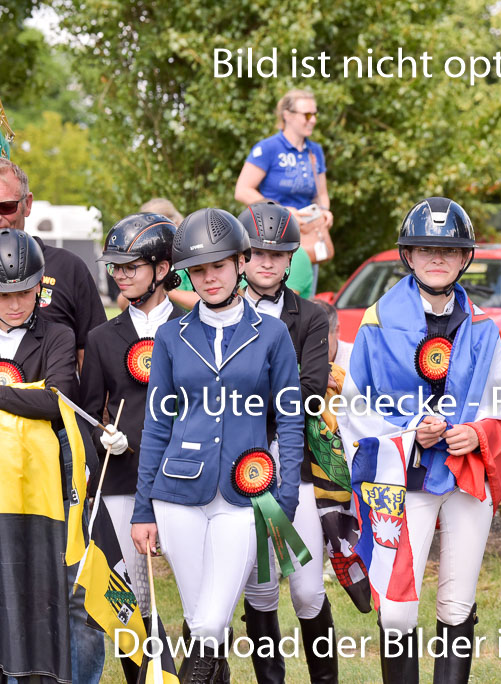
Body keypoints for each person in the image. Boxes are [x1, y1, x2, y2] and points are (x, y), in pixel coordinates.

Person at [337, 197, 501, 684]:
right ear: (408, 256)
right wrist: (412, 430)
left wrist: (475, 433)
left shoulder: (483, 326)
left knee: (457, 603)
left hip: (464, 473)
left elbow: (500, 404)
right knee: (397, 610)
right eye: (425, 248)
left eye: (449, 250)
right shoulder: (376, 321)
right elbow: (354, 407)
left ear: (464, 258)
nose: (437, 257)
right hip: (402, 478)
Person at [130, 208, 304, 683]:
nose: (209, 278)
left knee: (209, 624)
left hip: (247, 498)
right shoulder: (170, 337)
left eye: (219, 266)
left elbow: (290, 421)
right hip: (177, 495)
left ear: (241, 262)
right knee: (202, 620)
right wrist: (143, 509)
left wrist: (285, 502)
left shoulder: (273, 334)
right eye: (199, 269)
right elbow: (156, 426)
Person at [79, 212, 186, 684]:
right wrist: (103, 434)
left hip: (186, 477)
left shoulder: (193, 328)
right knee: (132, 599)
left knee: (202, 598)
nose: (119, 275)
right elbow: (88, 412)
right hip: (123, 479)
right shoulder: (101, 338)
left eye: (130, 267)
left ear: (162, 269)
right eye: (115, 267)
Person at [236, 201, 336, 684]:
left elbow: (311, 392)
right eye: (257, 253)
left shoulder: (311, 317)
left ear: (290, 258)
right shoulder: (221, 314)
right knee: (260, 589)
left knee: (307, 590)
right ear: (241, 257)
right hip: (237, 463)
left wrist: (247, 392)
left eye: (277, 254)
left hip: (292, 459)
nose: (266, 263)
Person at [0, 229, 82, 684]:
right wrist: (26, 394)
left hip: (37, 490)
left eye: (25, 292)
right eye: (4, 295)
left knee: (37, 593)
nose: (15, 304)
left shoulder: (57, 335)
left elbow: (57, 401)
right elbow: (40, 395)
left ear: (40, 287)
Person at [0, 158, 105, 370]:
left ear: (27, 204)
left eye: (6, 207)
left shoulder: (68, 268)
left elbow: (91, 358)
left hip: (54, 390)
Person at [235, 89, 331, 293]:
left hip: (306, 238)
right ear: (287, 115)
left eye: (315, 114)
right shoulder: (268, 148)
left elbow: (321, 194)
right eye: (307, 115)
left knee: (301, 299)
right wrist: (282, 212)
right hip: (272, 240)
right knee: (266, 300)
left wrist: (324, 211)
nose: (313, 120)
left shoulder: (314, 151)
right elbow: (242, 190)